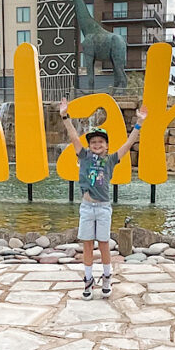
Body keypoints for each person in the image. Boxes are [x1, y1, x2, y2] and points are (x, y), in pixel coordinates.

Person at [59, 100, 147, 299]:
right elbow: (73, 136)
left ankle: (107, 276)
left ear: (106, 146)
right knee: (87, 244)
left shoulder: (111, 160)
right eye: (93, 142)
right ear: (89, 145)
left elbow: (128, 144)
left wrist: (139, 123)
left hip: (104, 208)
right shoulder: (84, 157)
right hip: (87, 208)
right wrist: (65, 116)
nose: (97, 145)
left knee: (104, 243)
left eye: (100, 142)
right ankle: (88, 280)